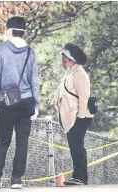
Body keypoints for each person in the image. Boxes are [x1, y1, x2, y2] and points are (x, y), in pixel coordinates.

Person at [0, 16, 40, 189]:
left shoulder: (0, 50)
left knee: (2, 140)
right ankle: (17, 179)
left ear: (8, 31)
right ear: (24, 32)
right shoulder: (30, 52)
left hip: (6, 102)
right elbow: (34, 81)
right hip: (26, 103)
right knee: (22, 142)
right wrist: (37, 105)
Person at [54, 43, 93, 186]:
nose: (63, 64)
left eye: (65, 61)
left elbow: (84, 96)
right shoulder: (70, 74)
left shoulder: (80, 74)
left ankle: (78, 176)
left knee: (76, 145)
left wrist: (81, 116)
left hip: (80, 116)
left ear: (72, 61)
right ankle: (82, 177)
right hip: (73, 116)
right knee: (76, 145)